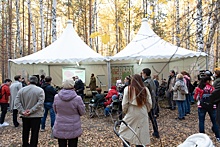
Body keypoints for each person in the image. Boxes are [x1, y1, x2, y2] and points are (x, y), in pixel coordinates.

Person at [119, 74, 152, 146]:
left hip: (132, 111)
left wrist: (126, 111)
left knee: (124, 130)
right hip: (143, 112)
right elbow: (149, 103)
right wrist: (146, 111)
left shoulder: (128, 89)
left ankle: (126, 146)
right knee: (141, 133)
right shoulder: (145, 89)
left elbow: (124, 104)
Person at [53, 79, 86, 147]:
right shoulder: (77, 98)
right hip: (73, 125)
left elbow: (55, 110)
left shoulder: (56, 97)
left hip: (60, 123)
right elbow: (82, 112)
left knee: (61, 144)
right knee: (73, 144)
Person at [14, 76, 45, 147]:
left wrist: (22, 111)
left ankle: (25, 144)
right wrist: (31, 111)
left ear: (29, 81)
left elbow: (17, 102)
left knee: (25, 131)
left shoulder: (22, 90)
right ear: (37, 82)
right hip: (36, 115)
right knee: (35, 132)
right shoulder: (40, 90)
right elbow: (40, 103)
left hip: (25, 115)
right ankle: (33, 145)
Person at [194, 76, 220, 141]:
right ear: (208, 81)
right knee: (214, 121)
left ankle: (202, 137)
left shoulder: (199, 88)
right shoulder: (212, 88)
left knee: (201, 121)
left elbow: (195, 98)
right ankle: (218, 136)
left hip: (201, 106)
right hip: (212, 106)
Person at [142, 68, 160, 138]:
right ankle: (156, 131)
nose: (142, 74)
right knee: (152, 118)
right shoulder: (152, 81)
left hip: (149, 102)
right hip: (153, 101)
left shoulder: (147, 82)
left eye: (142, 73)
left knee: (149, 118)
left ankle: (153, 132)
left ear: (145, 74)